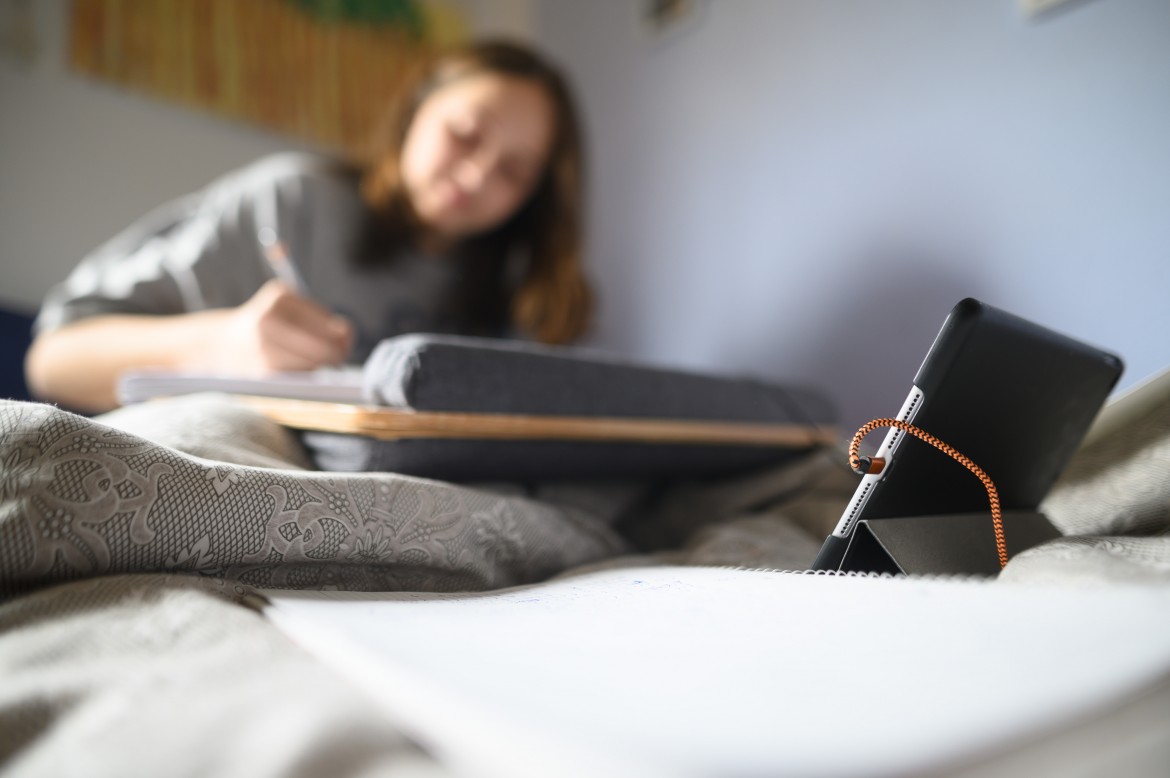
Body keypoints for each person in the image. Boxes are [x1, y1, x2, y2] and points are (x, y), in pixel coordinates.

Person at [25, 39, 592, 414]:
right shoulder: (291, 204)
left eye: (515, 172)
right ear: (414, 112)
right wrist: (221, 344)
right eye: (465, 134)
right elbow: (53, 361)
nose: (476, 175)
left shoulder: (520, 289)